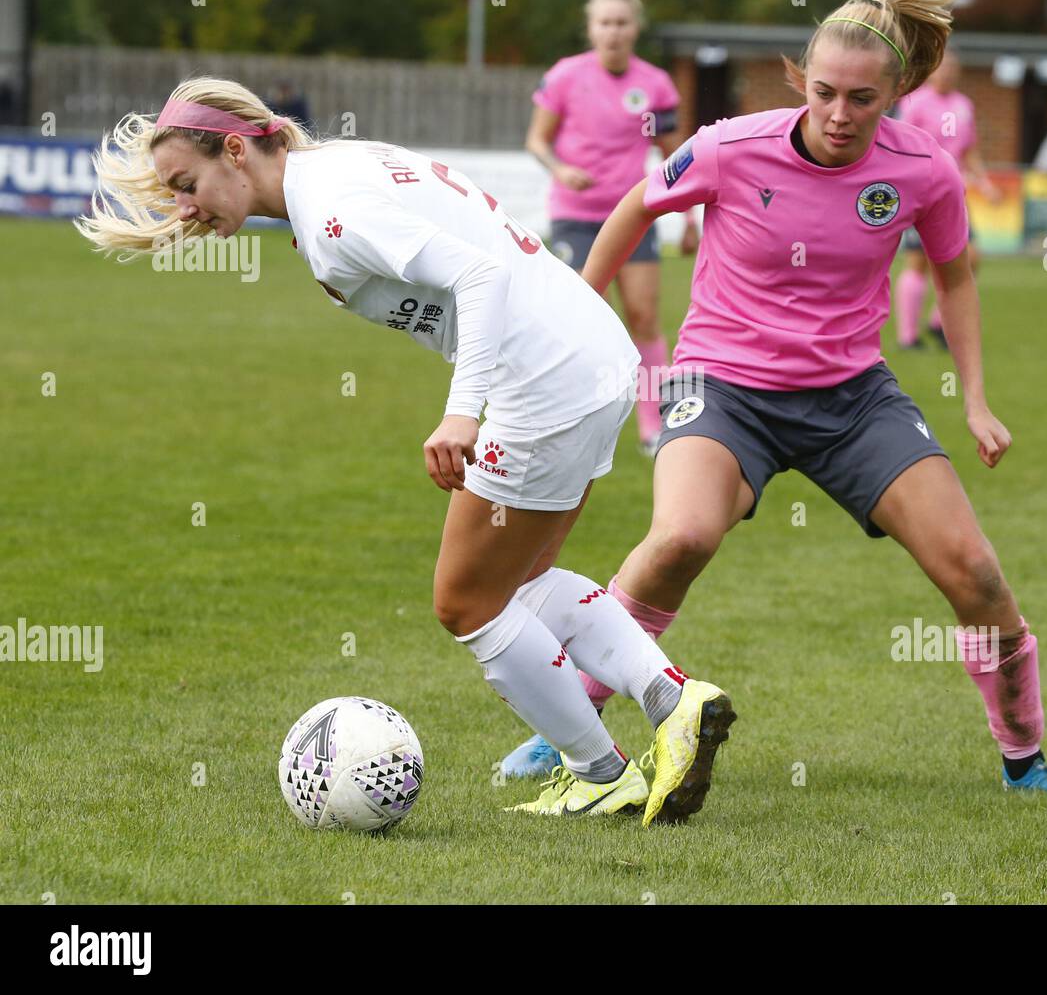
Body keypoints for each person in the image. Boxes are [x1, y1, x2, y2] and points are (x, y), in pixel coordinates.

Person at [500, 0, 1047, 803]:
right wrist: (579, 313)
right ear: (799, 81)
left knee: (973, 570)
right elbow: (635, 208)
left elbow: (956, 275)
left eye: (862, 99)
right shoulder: (727, 147)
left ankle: (1028, 761)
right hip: (722, 387)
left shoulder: (923, 169)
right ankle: (567, 725)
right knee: (679, 540)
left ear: (893, 94)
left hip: (853, 397)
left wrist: (973, 395)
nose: (838, 114)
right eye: (823, 92)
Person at [75, 76, 735, 825]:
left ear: (235, 148)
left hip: (545, 375)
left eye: (187, 184)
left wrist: (462, 414)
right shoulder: (336, 169)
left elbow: (478, 275)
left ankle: (599, 771)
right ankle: (675, 701)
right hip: (588, 355)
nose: (185, 206)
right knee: (521, 582)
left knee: (467, 602)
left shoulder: (329, 212)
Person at [524, 0, 694, 462]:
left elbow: (674, 157)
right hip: (575, 216)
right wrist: (561, 168)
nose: (613, 31)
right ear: (591, 27)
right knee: (578, 321)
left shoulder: (655, 85)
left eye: (621, 22)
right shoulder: (564, 76)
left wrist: (687, 219)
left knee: (642, 315)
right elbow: (537, 139)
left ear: (635, 27)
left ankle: (653, 426)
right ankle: (566, 423)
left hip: (633, 217)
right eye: (604, 22)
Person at [892, 49, 999, 350]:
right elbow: (900, 142)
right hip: (922, 191)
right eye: (942, 68)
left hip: (955, 194)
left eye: (952, 68)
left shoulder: (964, 105)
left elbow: (970, 150)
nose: (947, 73)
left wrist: (985, 182)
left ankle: (939, 322)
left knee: (970, 257)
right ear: (932, 71)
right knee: (918, 262)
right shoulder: (914, 102)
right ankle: (907, 336)